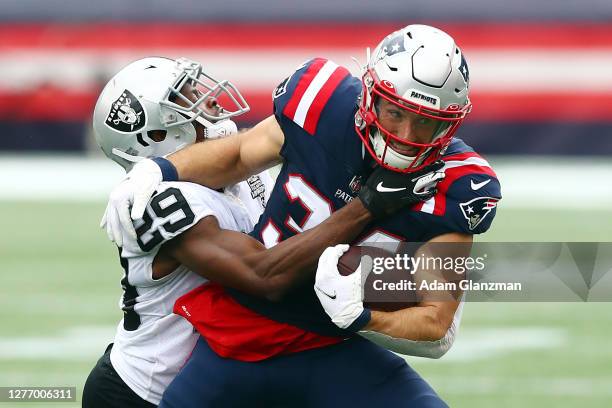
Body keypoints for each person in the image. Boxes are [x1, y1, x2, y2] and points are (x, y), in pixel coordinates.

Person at [103, 24, 501, 407]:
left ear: (451, 124)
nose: (407, 136)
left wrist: (365, 318)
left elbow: (436, 324)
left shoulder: (457, 185)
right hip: (238, 340)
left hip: (335, 347)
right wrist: (160, 170)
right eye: (395, 112)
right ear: (369, 94)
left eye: (427, 122)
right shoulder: (322, 106)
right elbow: (243, 156)